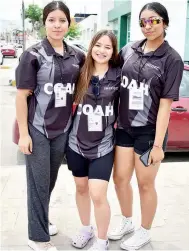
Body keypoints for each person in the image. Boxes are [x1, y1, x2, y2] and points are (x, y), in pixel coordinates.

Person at [108, 2, 184, 250]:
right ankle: (128, 221)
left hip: (149, 132)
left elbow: (165, 105)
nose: (148, 25)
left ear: (165, 23)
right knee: (119, 179)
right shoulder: (129, 49)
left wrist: (159, 145)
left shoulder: (171, 59)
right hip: (124, 127)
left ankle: (145, 231)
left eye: (154, 20)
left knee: (145, 184)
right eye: (143, 21)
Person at [15, 1, 85, 250]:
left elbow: (85, 85)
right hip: (38, 130)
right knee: (38, 182)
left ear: (69, 23)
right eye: (52, 20)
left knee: (49, 181)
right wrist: (24, 134)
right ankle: (38, 238)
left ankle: (41, 220)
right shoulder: (32, 55)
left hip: (63, 130)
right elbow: (22, 96)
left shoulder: (77, 55)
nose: (57, 25)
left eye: (62, 20)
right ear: (44, 23)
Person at [66, 30, 121, 251]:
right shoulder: (80, 72)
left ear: (113, 51)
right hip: (76, 142)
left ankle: (101, 239)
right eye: (98, 45)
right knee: (81, 188)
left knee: (97, 193)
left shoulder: (118, 75)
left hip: (104, 145)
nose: (102, 50)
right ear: (91, 47)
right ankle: (85, 228)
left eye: (108, 47)